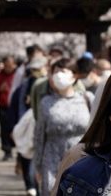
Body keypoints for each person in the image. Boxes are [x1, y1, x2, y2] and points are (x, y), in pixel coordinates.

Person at [33, 58, 92, 196]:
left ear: (75, 75)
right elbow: (39, 134)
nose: (59, 75)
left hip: (81, 158)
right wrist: (37, 166)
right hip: (52, 158)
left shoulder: (87, 99)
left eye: (63, 71)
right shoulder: (46, 102)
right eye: (55, 72)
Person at [9, 55, 48, 196]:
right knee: (26, 155)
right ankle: (30, 185)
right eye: (35, 69)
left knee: (37, 159)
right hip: (25, 127)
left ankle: (34, 186)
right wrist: (13, 127)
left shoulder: (49, 85)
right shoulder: (23, 88)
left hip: (42, 128)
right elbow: (14, 106)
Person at [0, 55, 17, 161]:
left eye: (10, 66)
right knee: (4, 129)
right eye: (6, 66)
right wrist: (0, 89)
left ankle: (15, 149)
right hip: (3, 106)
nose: (8, 68)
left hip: (14, 107)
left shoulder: (17, 76)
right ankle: (7, 150)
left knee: (14, 128)